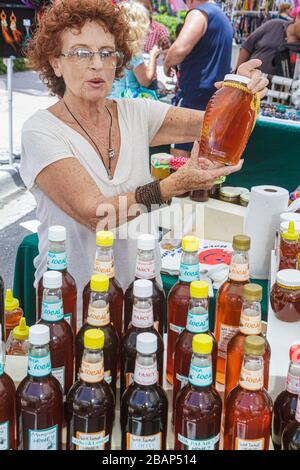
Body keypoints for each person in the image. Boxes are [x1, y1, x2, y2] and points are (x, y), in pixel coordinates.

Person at [19, 0, 268, 324]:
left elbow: (218, 122)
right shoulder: (41, 130)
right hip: (69, 306)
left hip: (140, 303)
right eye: (81, 52)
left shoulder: (135, 113)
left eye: (107, 53)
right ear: (55, 63)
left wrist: (241, 87)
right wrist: (174, 186)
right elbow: (97, 215)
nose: (97, 64)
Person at [163, 0, 233, 157]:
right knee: (204, 161)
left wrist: (168, 62)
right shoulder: (223, 17)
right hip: (215, 99)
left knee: (179, 159)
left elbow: (180, 48)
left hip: (193, 99)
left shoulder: (200, 13)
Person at [109, 0, 160, 98]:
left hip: (112, 97)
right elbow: (145, 80)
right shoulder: (132, 50)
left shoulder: (113, 45)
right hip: (127, 102)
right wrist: (153, 56)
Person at [236, 12, 300, 76]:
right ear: (298, 17)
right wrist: (237, 72)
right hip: (247, 79)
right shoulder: (274, 25)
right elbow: (247, 46)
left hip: (275, 84)